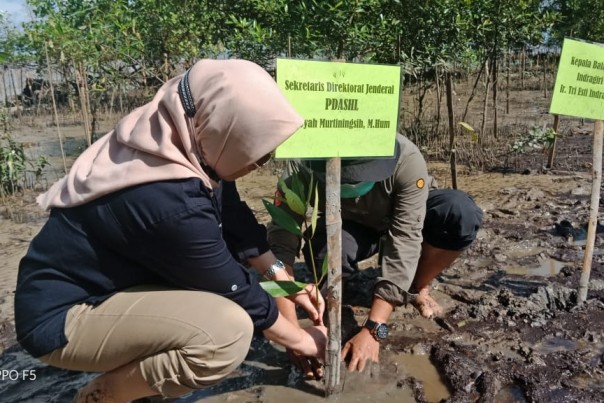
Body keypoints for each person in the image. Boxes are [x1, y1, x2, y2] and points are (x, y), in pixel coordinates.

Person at [14, 59, 327, 402]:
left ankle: (143, 383)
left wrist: (286, 281)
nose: (261, 161)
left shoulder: (184, 143)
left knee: (222, 305)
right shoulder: (169, 198)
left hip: (112, 283)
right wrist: (302, 339)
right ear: (222, 127)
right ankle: (101, 396)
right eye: (257, 147)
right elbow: (236, 289)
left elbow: (236, 220)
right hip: (63, 317)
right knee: (226, 332)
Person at [267, 133, 483, 374]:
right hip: (350, 224)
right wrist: (290, 332)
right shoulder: (301, 162)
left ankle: (416, 287)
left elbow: (406, 237)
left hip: (407, 215)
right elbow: (280, 244)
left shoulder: (405, 156)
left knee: (459, 211)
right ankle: (335, 304)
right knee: (324, 248)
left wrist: (374, 329)